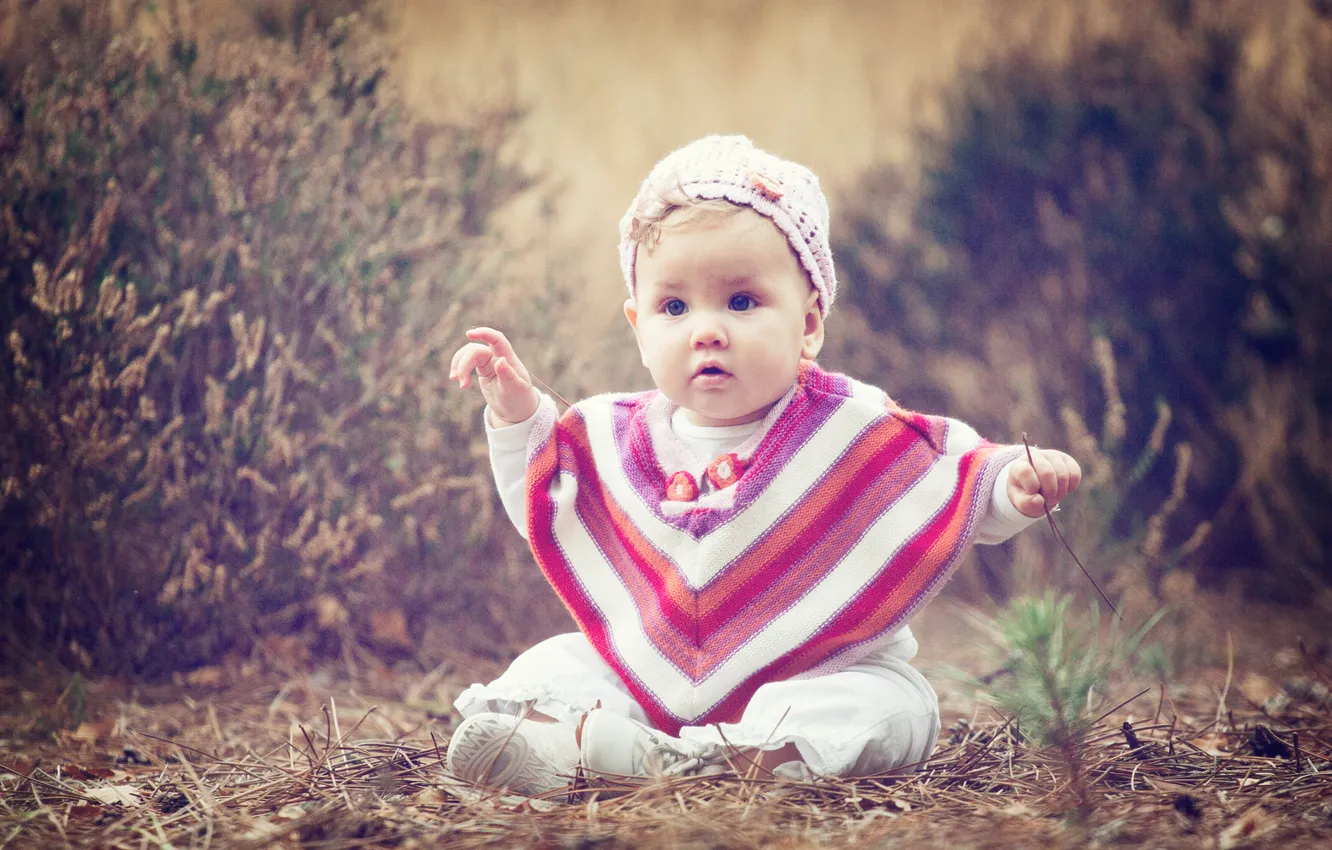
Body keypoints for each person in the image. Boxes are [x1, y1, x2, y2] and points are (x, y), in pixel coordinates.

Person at [444, 135, 1081, 796]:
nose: (707, 329)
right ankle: (568, 747)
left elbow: (950, 479)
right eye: (674, 307)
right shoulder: (616, 435)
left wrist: (1012, 483)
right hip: (649, 676)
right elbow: (545, 496)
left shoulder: (843, 426)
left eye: (742, 302)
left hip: (817, 672)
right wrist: (519, 418)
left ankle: (700, 763)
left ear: (808, 324)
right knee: (558, 664)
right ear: (638, 326)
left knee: (891, 706)